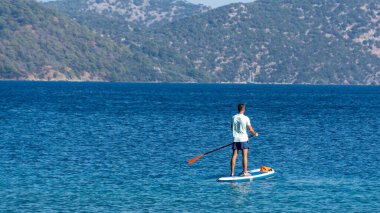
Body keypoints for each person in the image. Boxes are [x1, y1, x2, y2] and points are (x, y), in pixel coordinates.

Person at [230, 103, 258, 177]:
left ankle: (232, 173)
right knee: (244, 156)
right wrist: (255, 134)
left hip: (235, 139)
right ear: (244, 109)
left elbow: (231, 127)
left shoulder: (233, 117)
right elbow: (250, 129)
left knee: (234, 155)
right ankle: (245, 172)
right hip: (243, 139)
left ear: (238, 109)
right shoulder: (246, 118)